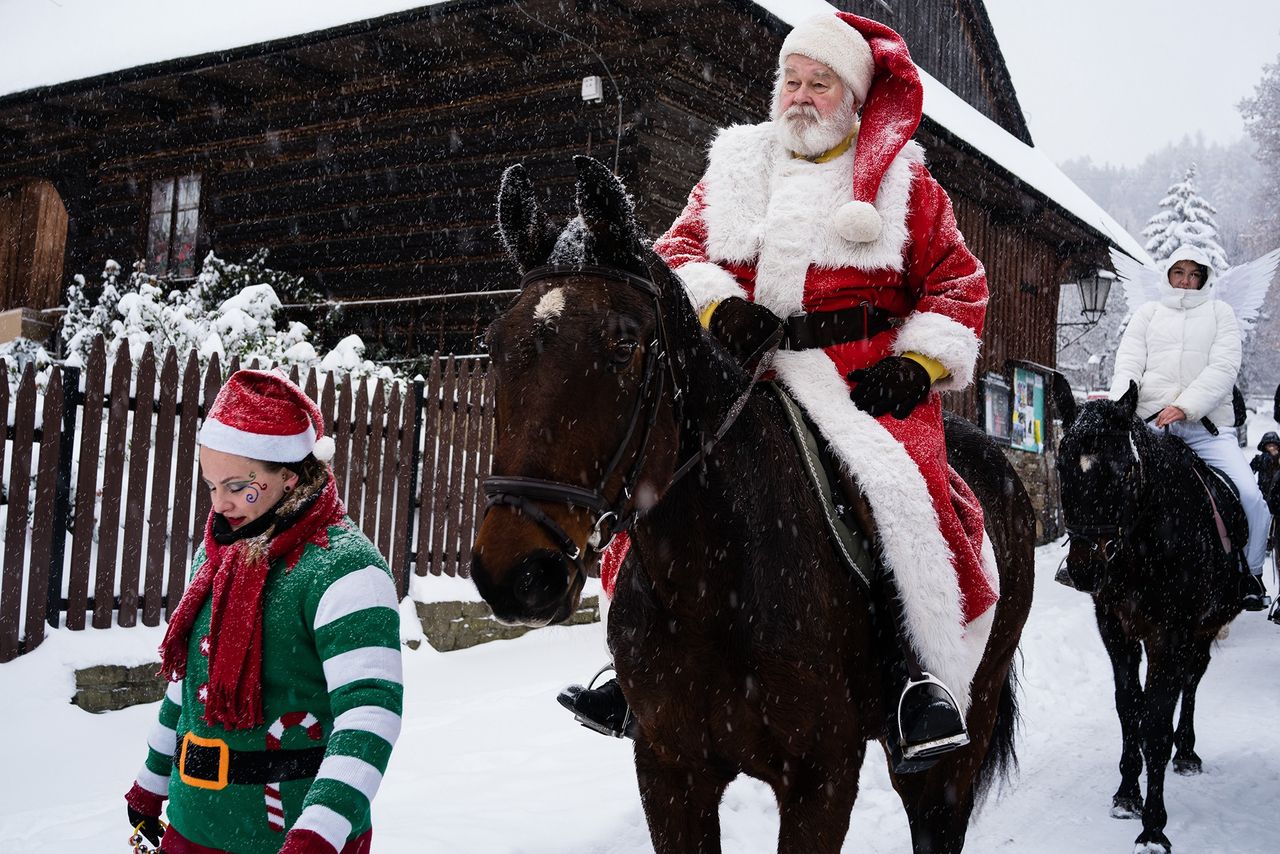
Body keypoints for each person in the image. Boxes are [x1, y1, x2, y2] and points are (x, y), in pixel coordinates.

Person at [560, 11, 999, 769]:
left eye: (818, 83)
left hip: (862, 381)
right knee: (658, 479)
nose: (799, 95)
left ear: (853, 97)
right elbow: (678, 252)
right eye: (790, 80)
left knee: (897, 491)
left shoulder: (905, 179)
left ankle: (915, 678)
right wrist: (717, 306)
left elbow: (959, 282)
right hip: (741, 371)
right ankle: (636, 670)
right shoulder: (735, 162)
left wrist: (920, 362)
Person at [124, 370, 403, 853]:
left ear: (289, 475)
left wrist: (319, 833)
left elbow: (370, 714)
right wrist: (151, 783)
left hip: (287, 834)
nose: (220, 503)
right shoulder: (218, 556)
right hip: (194, 827)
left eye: (236, 485)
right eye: (211, 485)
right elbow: (187, 686)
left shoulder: (345, 568)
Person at [1109, 245, 1271, 610]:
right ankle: (1097, 563)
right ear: (1167, 275)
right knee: (1110, 487)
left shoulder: (1220, 313)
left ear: (1204, 278)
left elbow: (1224, 369)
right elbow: (1129, 362)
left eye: (1194, 274)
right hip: (1151, 427)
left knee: (1251, 499)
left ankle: (1250, 573)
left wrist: (1185, 407)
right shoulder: (1148, 313)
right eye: (1179, 272)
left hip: (1207, 430)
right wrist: (1121, 410)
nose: (1185, 281)